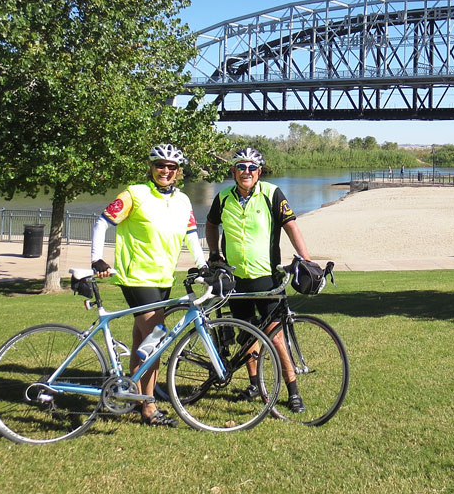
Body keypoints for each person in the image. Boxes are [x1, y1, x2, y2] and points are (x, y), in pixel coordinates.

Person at [90, 143, 206, 427]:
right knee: (157, 337)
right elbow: (102, 222)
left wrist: (203, 266)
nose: (165, 171)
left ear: (178, 172)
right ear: (151, 167)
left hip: (163, 278)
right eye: (160, 165)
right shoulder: (135, 193)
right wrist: (97, 260)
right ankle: (149, 407)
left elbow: (192, 235)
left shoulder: (183, 201)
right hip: (136, 277)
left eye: (171, 167)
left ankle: (130, 394)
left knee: (141, 340)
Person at [205, 147, 312, 413]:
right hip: (235, 279)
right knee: (246, 334)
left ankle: (293, 390)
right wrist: (215, 254)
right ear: (233, 171)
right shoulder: (223, 197)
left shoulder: (271, 194)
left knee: (276, 337)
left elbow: (291, 226)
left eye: (252, 168)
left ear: (259, 172)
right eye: (241, 167)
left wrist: (306, 258)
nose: (246, 172)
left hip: (266, 278)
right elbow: (210, 224)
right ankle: (254, 384)